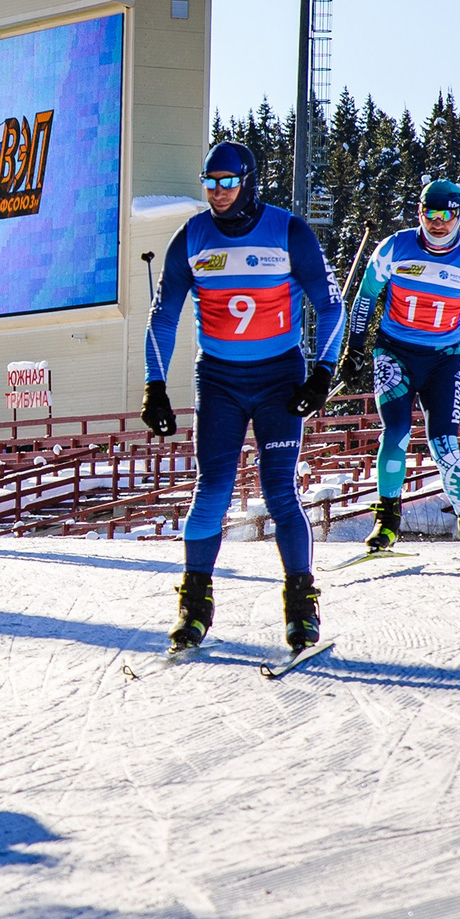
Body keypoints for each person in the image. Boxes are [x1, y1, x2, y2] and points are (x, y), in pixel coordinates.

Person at [140, 141, 347, 655]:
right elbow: (163, 316)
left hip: (279, 377)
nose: (218, 193)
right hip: (219, 380)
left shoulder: (288, 231)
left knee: (280, 491)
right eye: (209, 183)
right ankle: (194, 605)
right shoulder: (191, 237)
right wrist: (155, 385)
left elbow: (330, 305)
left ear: (249, 181)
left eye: (228, 182)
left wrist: (322, 372)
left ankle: (301, 605)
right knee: (211, 490)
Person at [347, 178, 460, 561]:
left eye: (445, 216)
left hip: (443, 361)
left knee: (444, 444)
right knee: (397, 431)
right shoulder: (394, 248)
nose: (436, 223)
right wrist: (353, 349)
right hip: (394, 354)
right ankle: (387, 520)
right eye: (428, 214)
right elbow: (366, 297)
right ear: (419, 212)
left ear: (459, 215)